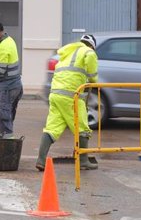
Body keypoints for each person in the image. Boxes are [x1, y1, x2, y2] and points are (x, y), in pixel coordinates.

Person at [36, 34, 99, 171]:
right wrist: (94, 80)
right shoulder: (88, 51)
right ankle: (83, 161)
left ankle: (41, 160)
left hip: (55, 94)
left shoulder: (67, 53)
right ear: (92, 46)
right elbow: (91, 66)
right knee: (82, 128)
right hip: (72, 96)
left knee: (52, 129)